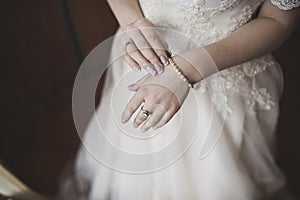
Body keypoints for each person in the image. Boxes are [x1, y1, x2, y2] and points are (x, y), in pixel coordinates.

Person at [59, 0, 300, 199]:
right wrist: (131, 21)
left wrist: (187, 69)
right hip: (142, 54)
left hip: (224, 72)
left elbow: (278, 20)